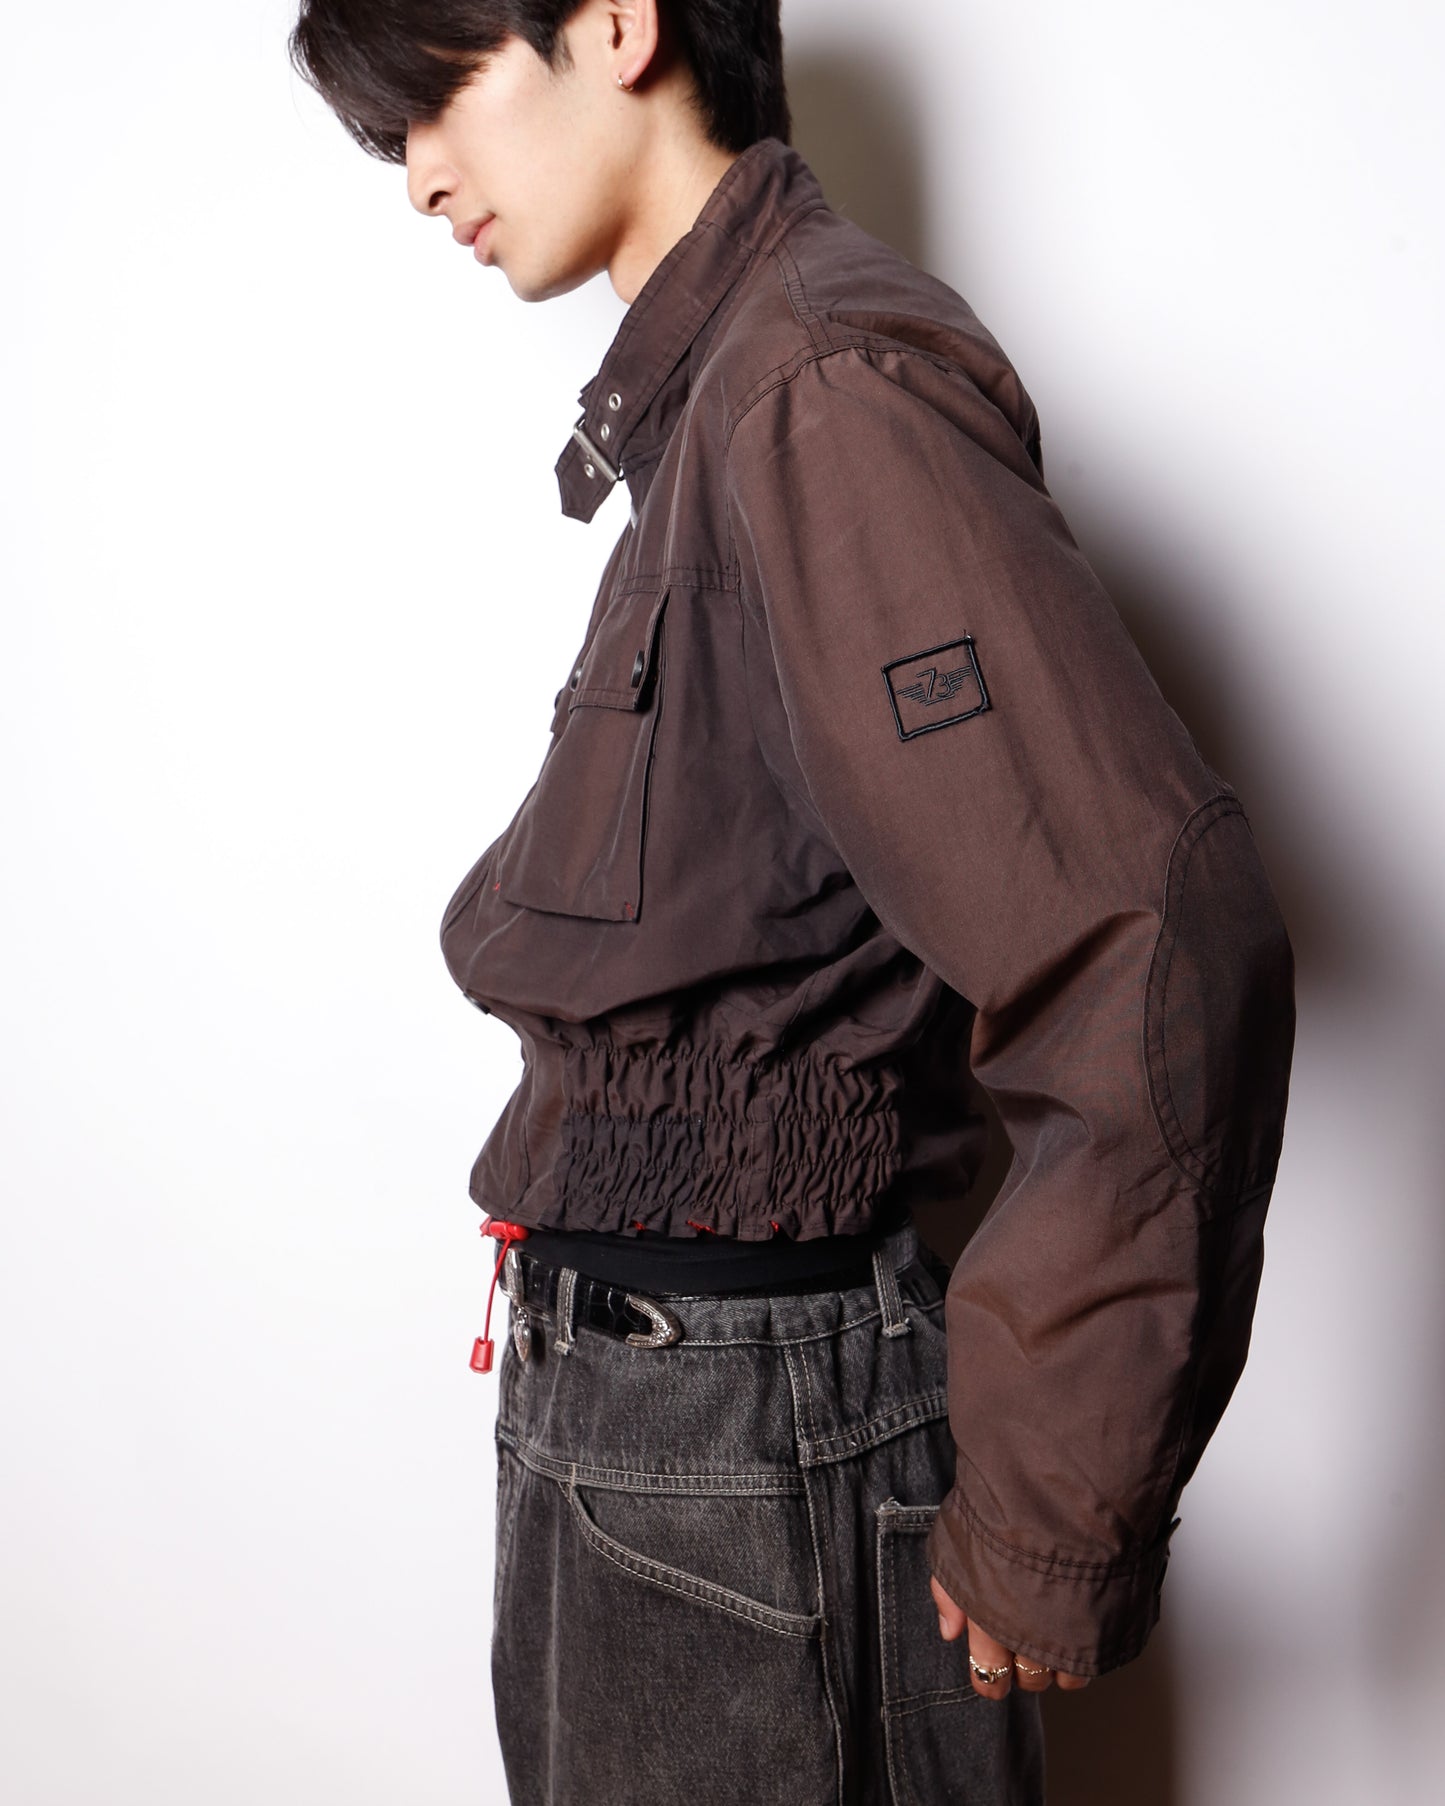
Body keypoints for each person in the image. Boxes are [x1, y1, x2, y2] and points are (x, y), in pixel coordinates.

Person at [288, 3, 1297, 1801]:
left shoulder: (817, 392)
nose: (421, 176)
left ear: (615, 23)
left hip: (751, 1445)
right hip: (666, 1431)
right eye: (389, 140)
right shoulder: (730, 404)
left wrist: (1052, 1501)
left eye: (434, 95)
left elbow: (1151, 938)